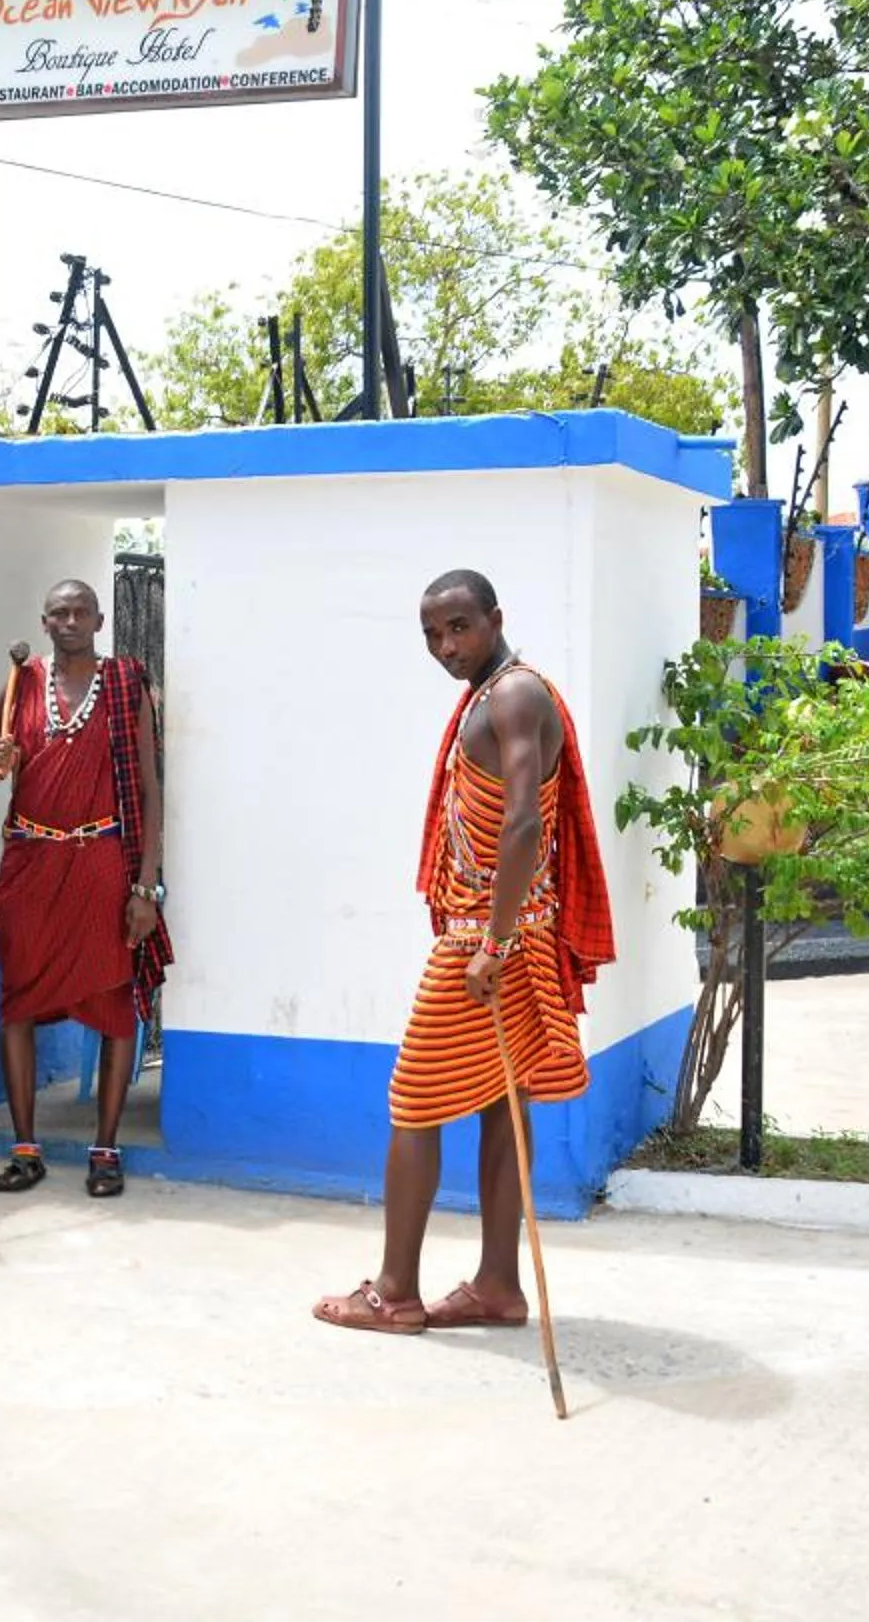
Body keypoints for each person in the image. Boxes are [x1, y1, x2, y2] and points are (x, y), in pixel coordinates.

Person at [314, 569, 616, 1336]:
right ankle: (497, 1287)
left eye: (459, 628)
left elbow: (521, 825)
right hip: (511, 931)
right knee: (498, 1104)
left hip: (488, 939)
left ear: (495, 619)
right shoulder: (494, 693)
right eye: (432, 635)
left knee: (413, 1104)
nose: (446, 647)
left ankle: (394, 1293)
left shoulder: (514, 695)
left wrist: (495, 941)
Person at [0, 579, 171, 1197]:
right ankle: (25, 1147)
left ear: (100, 619)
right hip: (30, 863)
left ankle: (104, 1149)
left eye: (82, 611)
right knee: (18, 1004)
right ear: (45, 620)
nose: (71, 620)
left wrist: (146, 886)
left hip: (102, 861)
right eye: (60, 612)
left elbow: (149, 787)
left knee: (112, 1005)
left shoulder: (126, 682)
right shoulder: (22, 681)